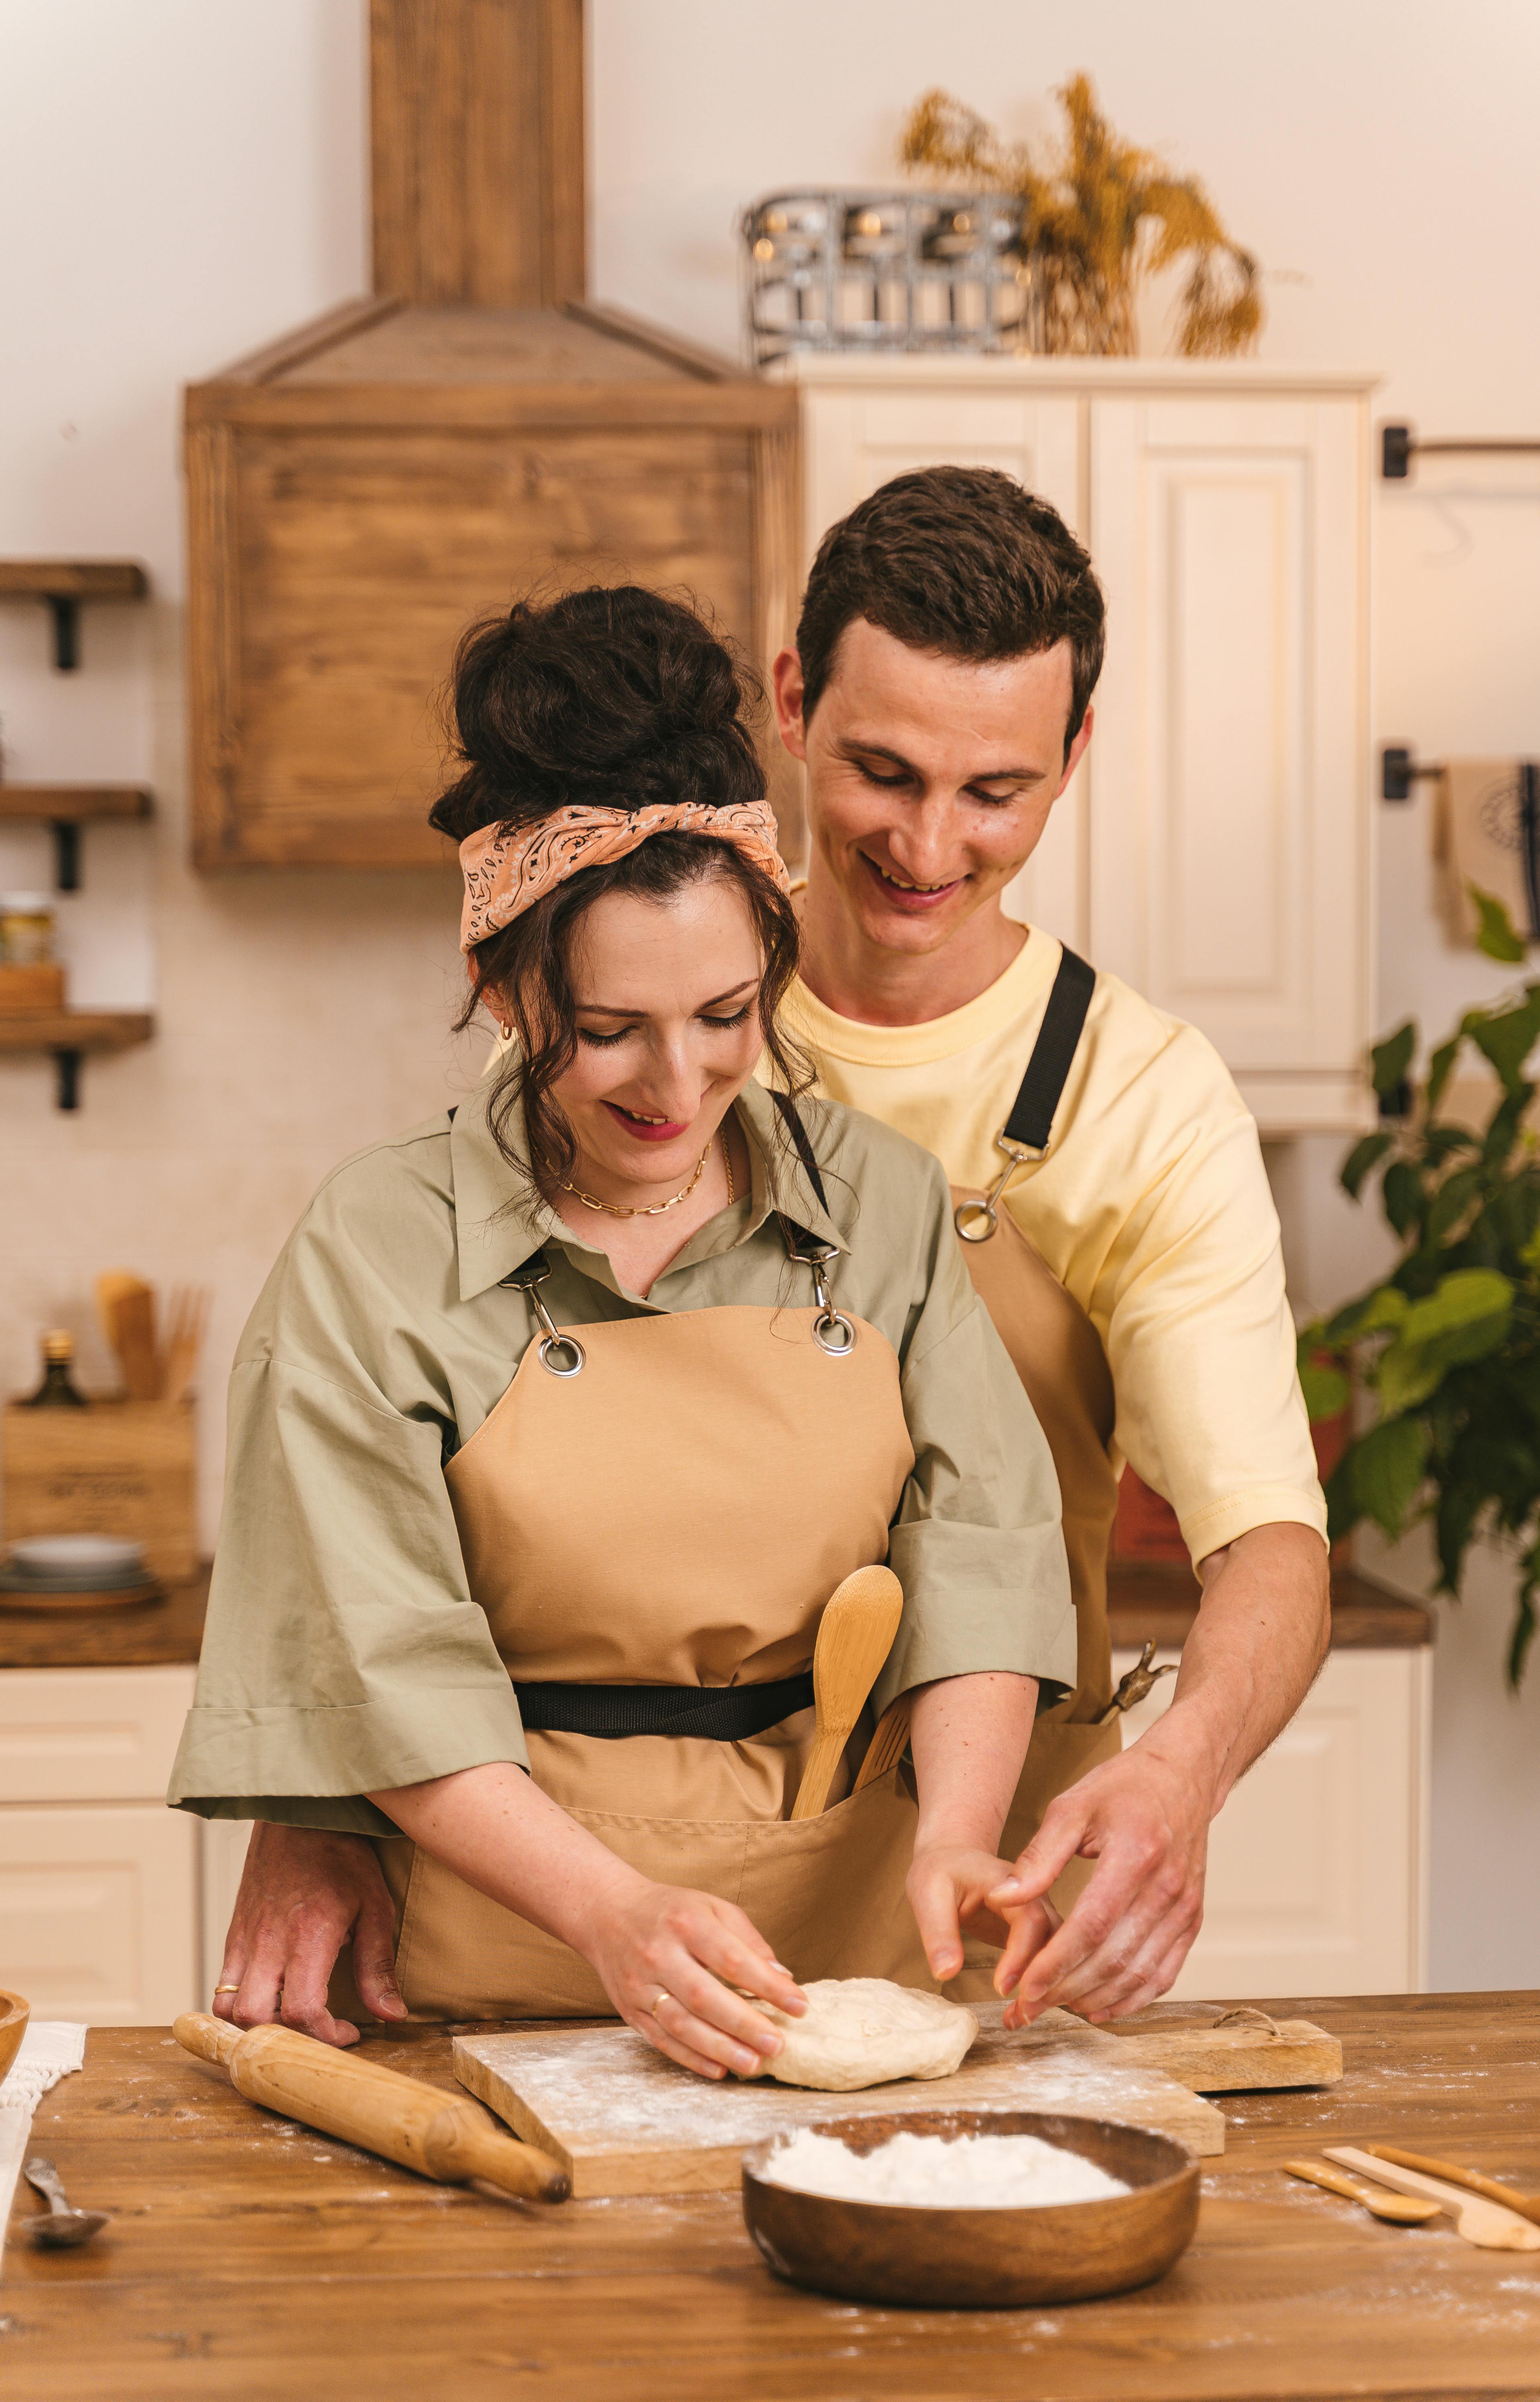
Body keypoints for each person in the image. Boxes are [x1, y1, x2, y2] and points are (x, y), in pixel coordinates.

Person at [208, 466, 1331, 2048]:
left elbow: (1230, 1542)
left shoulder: (1132, 1103)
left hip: (939, 1895)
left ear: (1074, 759)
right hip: (529, 1913)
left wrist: (1180, 1770)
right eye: (881, 769)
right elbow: (385, 1546)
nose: (930, 843)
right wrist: (317, 1790)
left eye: (994, 791)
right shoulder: (623, 930)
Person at [170, 585, 1079, 2076]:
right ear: (499, 983)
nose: (680, 1081)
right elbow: (381, 1658)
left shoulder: (885, 1207)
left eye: (728, 1012)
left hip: (851, 1958)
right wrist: (612, 1916)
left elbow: (980, 1555)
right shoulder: (378, 1252)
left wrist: (964, 1843)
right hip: (498, 1967)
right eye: (608, 1032)